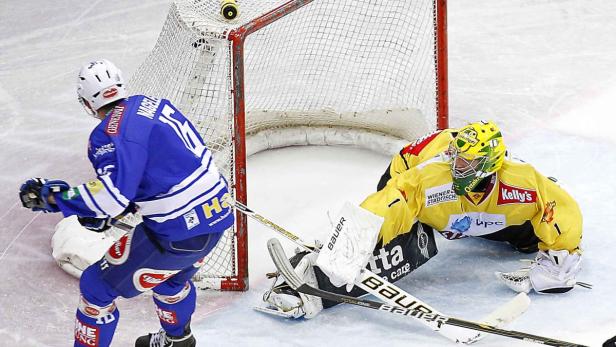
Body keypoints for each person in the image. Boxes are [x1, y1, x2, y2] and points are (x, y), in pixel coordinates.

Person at [261, 120, 584, 319]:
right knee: (390, 242)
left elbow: (558, 203)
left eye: (466, 164)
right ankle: (309, 282)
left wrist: (562, 251)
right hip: (410, 184)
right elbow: (391, 200)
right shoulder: (431, 178)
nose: (456, 166)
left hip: (477, 211)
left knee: (530, 241)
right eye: (455, 158)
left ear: (489, 167)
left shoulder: (522, 181)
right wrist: (353, 240)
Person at [19, 59, 234, 347]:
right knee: (171, 281)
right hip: (216, 218)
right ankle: (178, 340)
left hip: (176, 234)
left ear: (86, 102)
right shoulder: (153, 104)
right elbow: (163, 167)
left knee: (96, 287)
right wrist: (126, 204)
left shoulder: (108, 133)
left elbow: (109, 197)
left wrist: (55, 197)